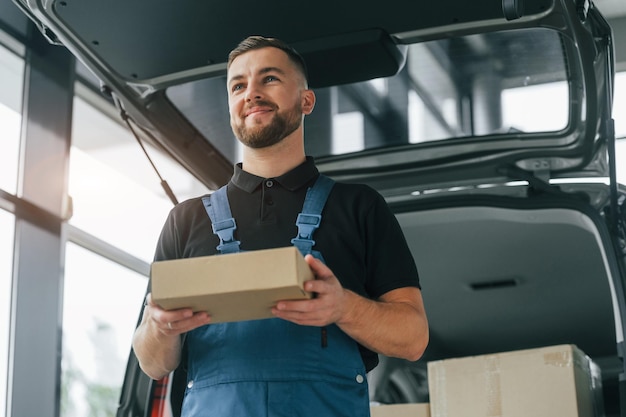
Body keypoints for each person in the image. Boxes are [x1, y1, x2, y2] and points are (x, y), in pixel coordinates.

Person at [132, 35, 429, 417]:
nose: (251, 93)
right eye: (238, 85)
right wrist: (161, 329)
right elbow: (152, 363)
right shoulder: (187, 220)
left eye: (269, 79)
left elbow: (414, 338)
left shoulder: (360, 207)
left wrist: (343, 308)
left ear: (306, 100)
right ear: (231, 107)